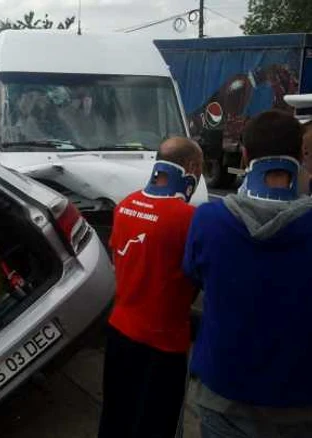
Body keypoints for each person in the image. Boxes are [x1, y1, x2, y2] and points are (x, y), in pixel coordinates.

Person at [184, 110, 312, 438]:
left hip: (224, 391)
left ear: (244, 155)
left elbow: (194, 277)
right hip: (299, 396)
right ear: (300, 156)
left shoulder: (208, 220)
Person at [98, 137, 203, 438]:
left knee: (115, 416)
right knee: (156, 425)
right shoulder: (189, 218)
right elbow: (199, 274)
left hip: (120, 331)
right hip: (163, 342)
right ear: (192, 168)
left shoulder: (124, 206)